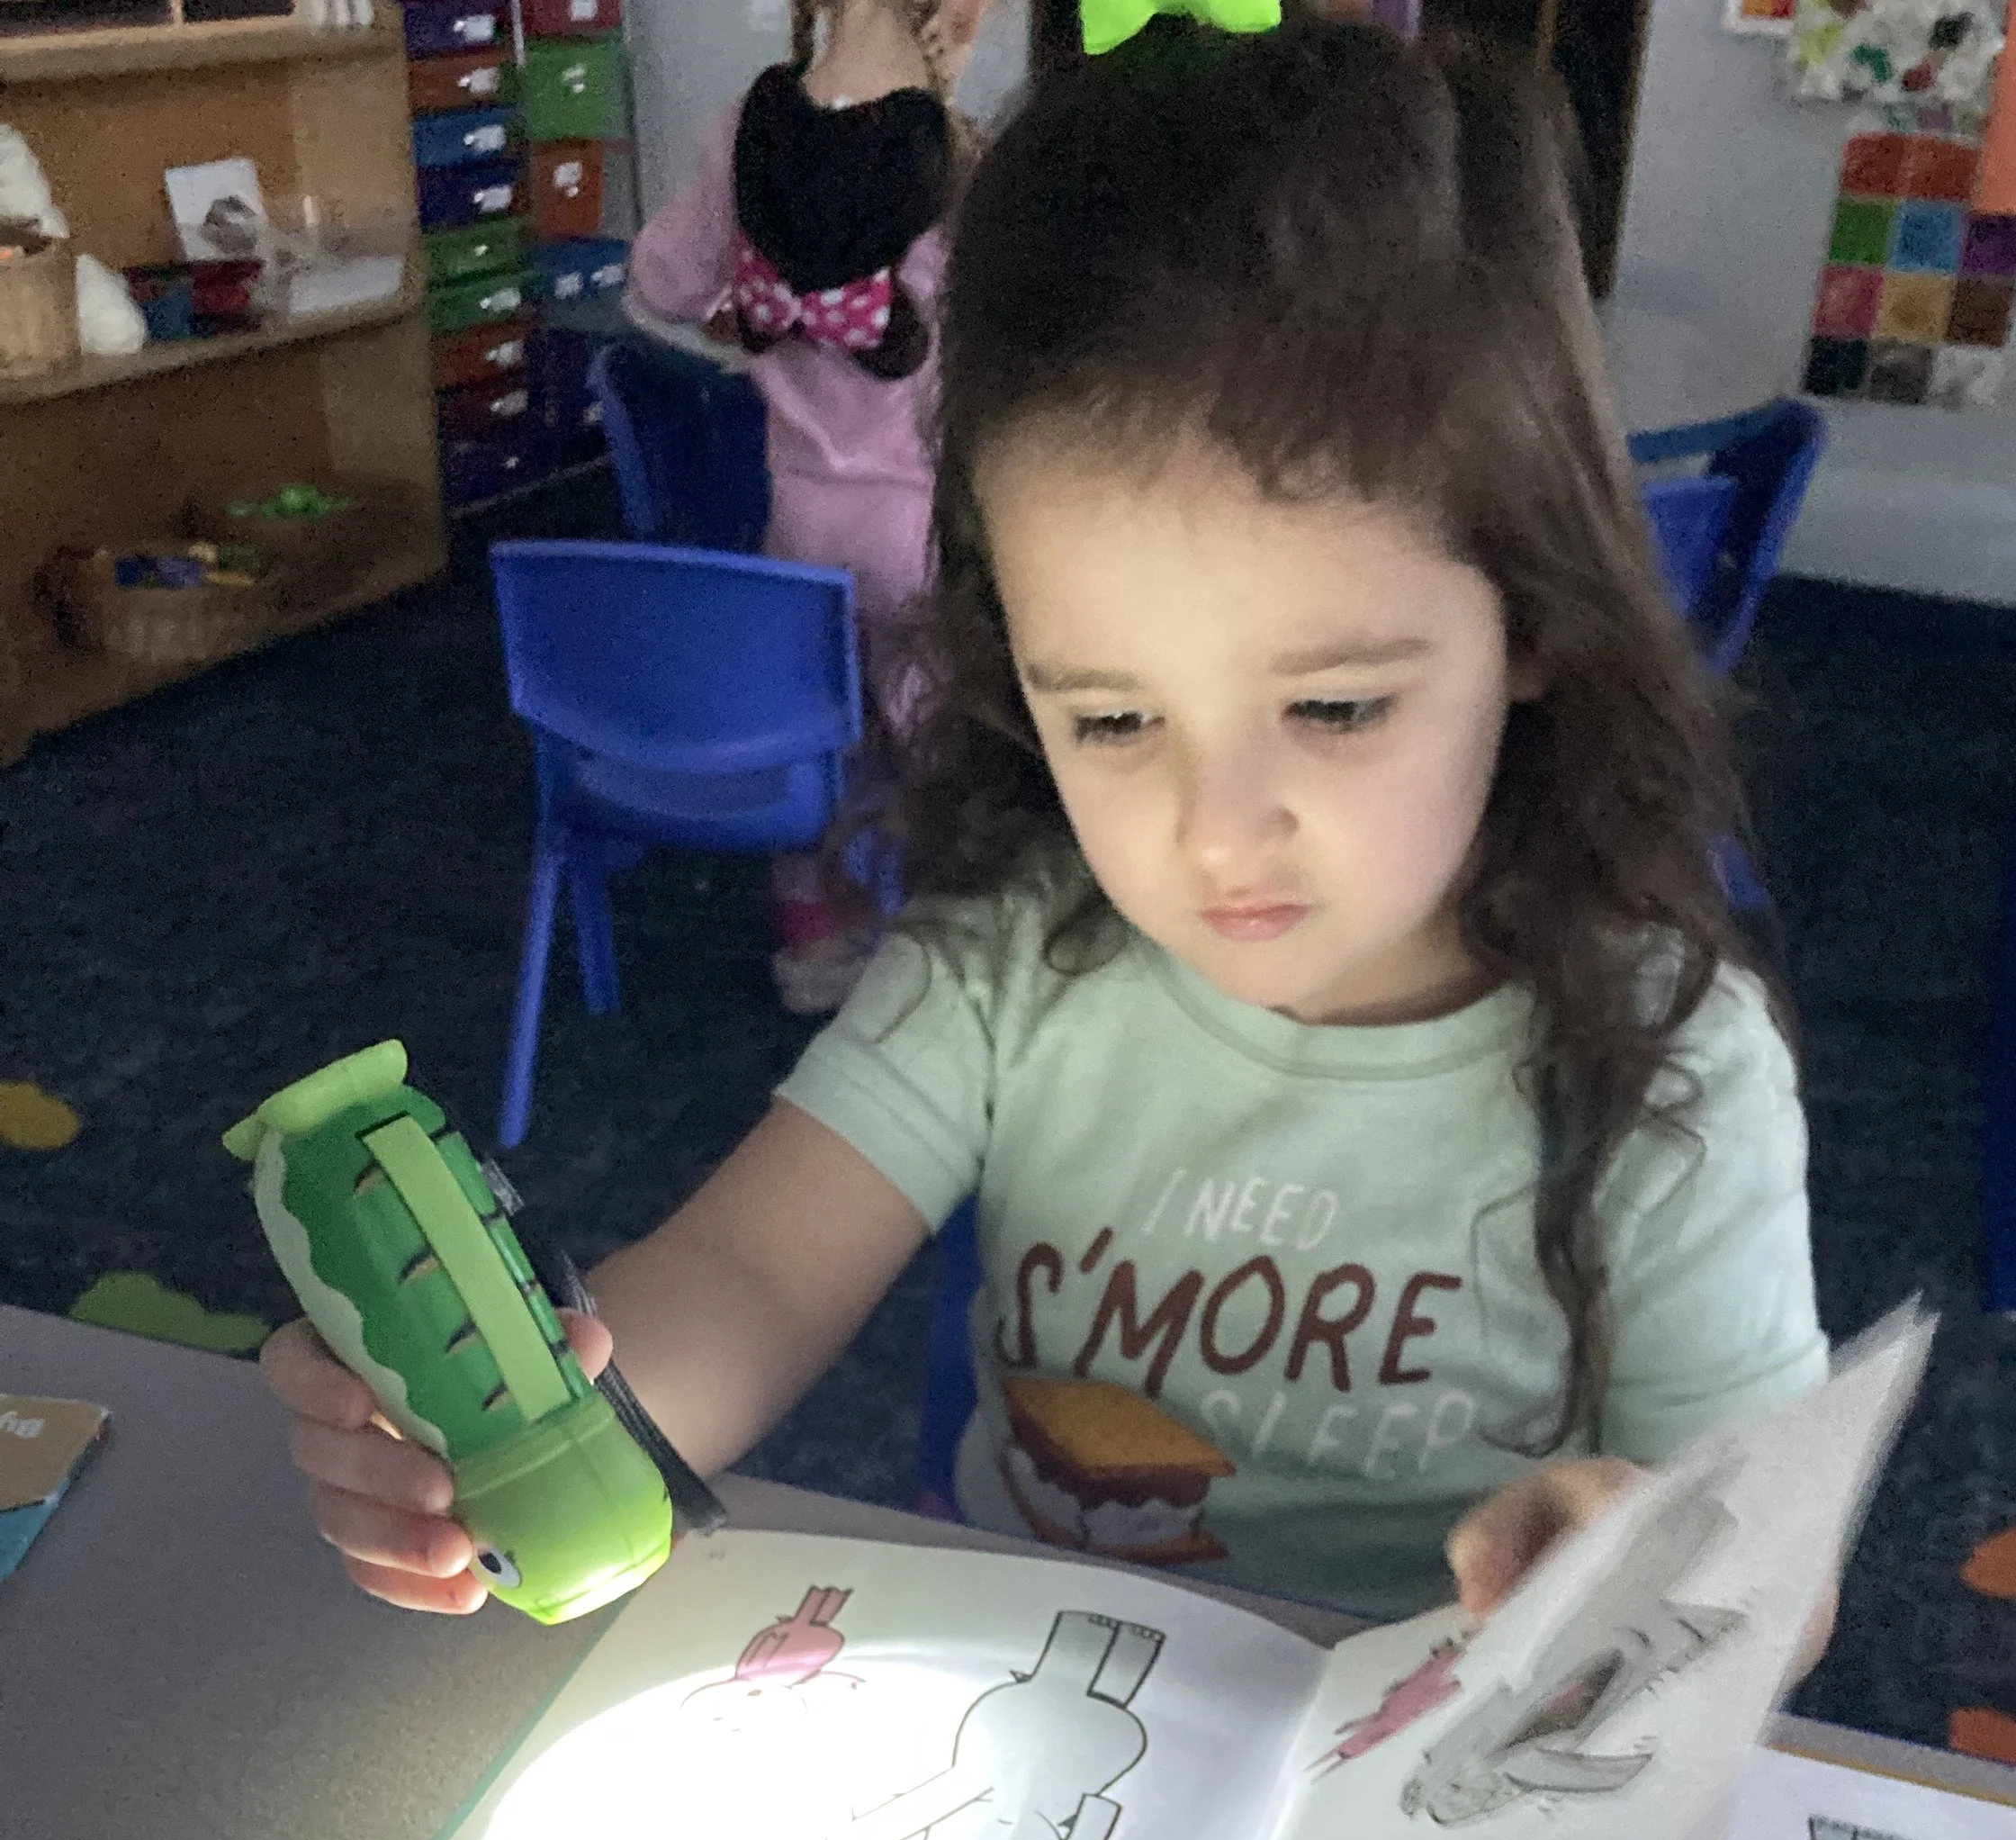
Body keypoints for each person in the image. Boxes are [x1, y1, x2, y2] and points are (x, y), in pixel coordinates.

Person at [266, 12, 1830, 1646]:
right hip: (1034, 1713)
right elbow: (754, 1274)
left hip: (1429, 1774)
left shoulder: (1670, 1062)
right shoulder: (1014, 952)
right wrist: (520, 1413)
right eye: (1114, 717)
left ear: (1537, 630)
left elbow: (1777, 1582)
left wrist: (1667, 1555)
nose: (1217, 833)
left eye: (1340, 708)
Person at [626, 0, 990, 1010]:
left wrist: (744, 310)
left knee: (817, 732)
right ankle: (939, 952)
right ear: (956, 16)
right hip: (918, 528)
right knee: (940, 747)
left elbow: (658, 283)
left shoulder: (749, 126)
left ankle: (816, 939)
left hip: (798, 523)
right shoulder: (958, 159)